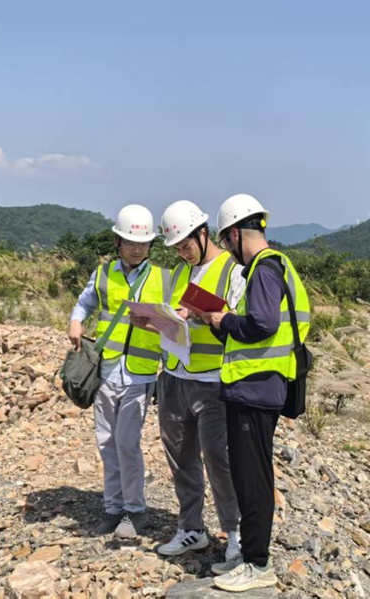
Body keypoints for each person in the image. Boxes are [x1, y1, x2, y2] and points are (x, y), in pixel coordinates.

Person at [200, 194, 310, 592]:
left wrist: (225, 319)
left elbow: (261, 325)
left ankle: (257, 564)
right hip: (257, 387)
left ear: (232, 233)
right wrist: (217, 320)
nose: (227, 248)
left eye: (226, 240)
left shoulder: (263, 269)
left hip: (255, 389)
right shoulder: (276, 265)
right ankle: (250, 557)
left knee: (253, 480)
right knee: (252, 476)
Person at [67, 204, 169, 539]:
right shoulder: (104, 274)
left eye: (142, 243)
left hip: (141, 373)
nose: (137, 248)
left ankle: (135, 511)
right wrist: (76, 321)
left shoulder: (164, 279)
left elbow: (177, 322)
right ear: (117, 242)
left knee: (127, 444)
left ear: (151, 245)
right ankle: (112, 508)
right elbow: (85, 303)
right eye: (130, 242)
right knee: (107, 442)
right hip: (108, 370)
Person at [150, 200, 244, 561]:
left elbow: (238, 321)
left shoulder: (230, 269)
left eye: (186, 246)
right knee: (181, 459)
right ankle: (191, 528)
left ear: (203, 234)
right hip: (174, 377)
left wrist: (206, 316)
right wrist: (161, 319)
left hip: (213, 381)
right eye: (176, 248)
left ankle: (234, 532)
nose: (183, 253)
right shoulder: (178, 273)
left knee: (219, 458)